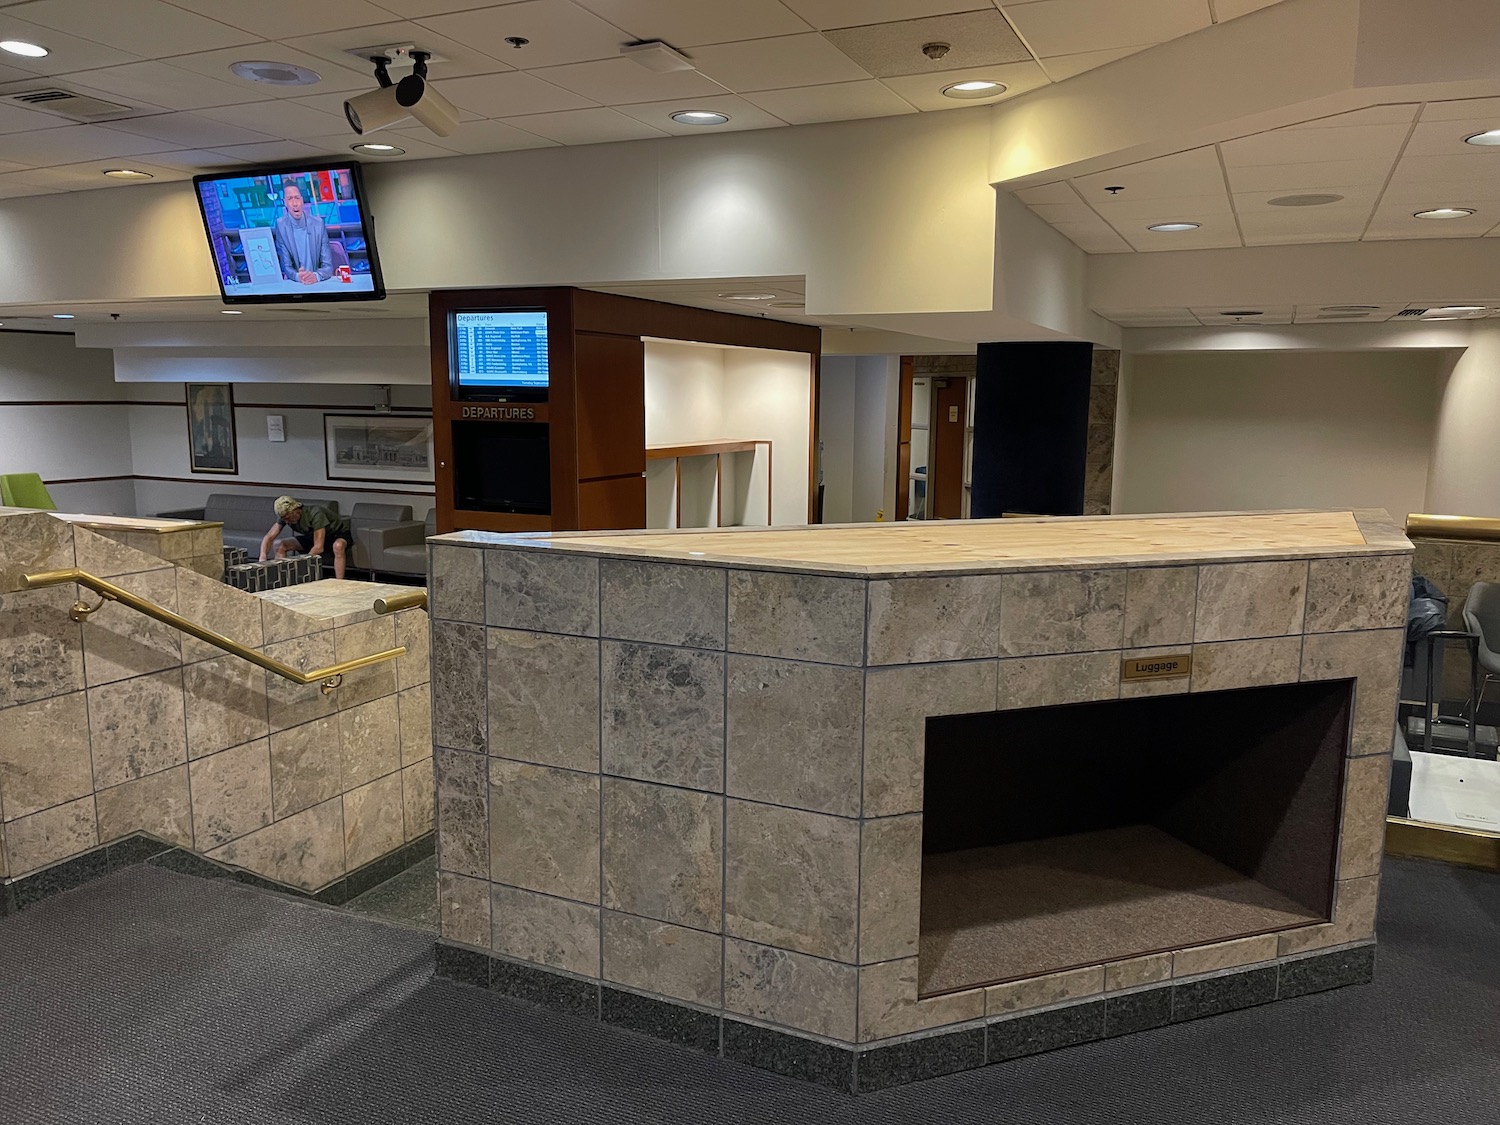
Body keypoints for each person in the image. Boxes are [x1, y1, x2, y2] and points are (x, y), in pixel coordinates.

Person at [260, 496, 353, 580]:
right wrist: (263, 556)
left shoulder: (316, 513)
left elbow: (319, 547)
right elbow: (269, 537)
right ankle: (281, 579)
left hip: (336, 535)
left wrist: (302, 563)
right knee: (279, 544)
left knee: (338, 546)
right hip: (312, 536)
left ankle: (339, 582)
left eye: (288, 518)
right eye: (284, 519)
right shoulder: (285, 517)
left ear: (296, 510)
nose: (287, 521)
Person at [271, 182, 333, 286]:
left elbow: (328, 266)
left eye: (297, 198)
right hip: (297, 285)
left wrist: (316, 276)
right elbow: (286, 266)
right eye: (290, 199)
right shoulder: (281, 226)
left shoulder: (318, 224)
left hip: (319, 284)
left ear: (302, 200)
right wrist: (298, 276)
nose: (295, 203)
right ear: (285, 202)